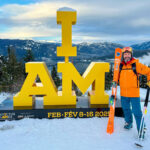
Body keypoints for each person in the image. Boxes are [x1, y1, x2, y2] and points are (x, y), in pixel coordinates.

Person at [117, 47, 150, 139]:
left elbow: (148, 71)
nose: (127, 55)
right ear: (123, 56)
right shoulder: (121, 66)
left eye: (128, 54)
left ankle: (141, 130)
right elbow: (116, 77)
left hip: (134, 94)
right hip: (123, 93)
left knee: (137, 112)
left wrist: (149, 80)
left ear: (131, 55)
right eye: (125, 54)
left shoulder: (136, 65)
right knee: (126, 109)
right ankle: (128, 122)